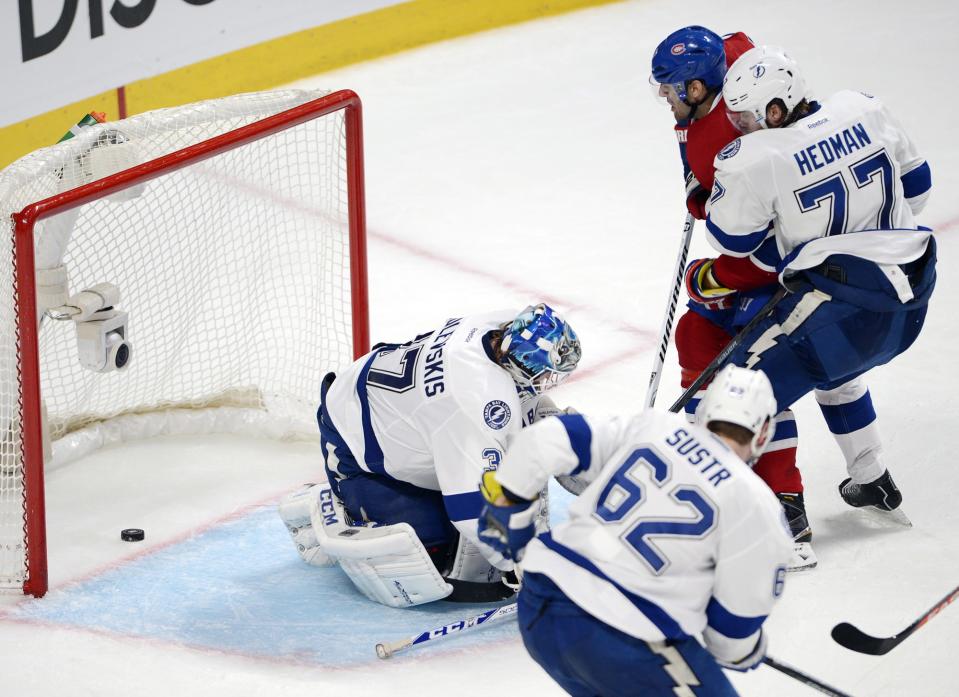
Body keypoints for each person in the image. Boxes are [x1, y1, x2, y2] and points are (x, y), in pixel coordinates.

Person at [650, 27, 895, 567]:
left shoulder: (732, 148)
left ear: (697, 89)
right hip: (857, 267)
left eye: (671, 89)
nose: (665, 99)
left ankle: (782, 506)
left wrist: (704, 268)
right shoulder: (739, 70)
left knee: (736, 356)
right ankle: (872, 473)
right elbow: (735, 41)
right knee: (832, 357)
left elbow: (747, 251)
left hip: (789, 269)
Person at [704, 45, 934, 513]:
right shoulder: (863, 107)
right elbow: (920, 191)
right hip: (910, 301)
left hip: (843, 316)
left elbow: (732, 240)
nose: (741, 128)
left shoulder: (757, 156)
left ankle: (781, 514)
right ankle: (872, 476)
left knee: (742, 385)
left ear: (775, 108)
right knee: (836, 367)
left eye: (747, 117)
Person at [478, 365, 793, 697]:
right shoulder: (758, 505)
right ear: (763, 433)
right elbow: (731, 635)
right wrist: (748, 650)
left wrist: (509, 513)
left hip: (540, 609)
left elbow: (544, 439)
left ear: (704, 408)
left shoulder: (654, 426)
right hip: (627, 639)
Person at [278, 303, 581, 607]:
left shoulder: (500, 327)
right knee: (440, 556)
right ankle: (330, 505)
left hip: (403, 412)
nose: (545, 385)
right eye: (543, 376)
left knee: (520, 441)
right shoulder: (471, 400)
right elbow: (473, 512)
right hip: (353, 439)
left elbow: (506, 401)